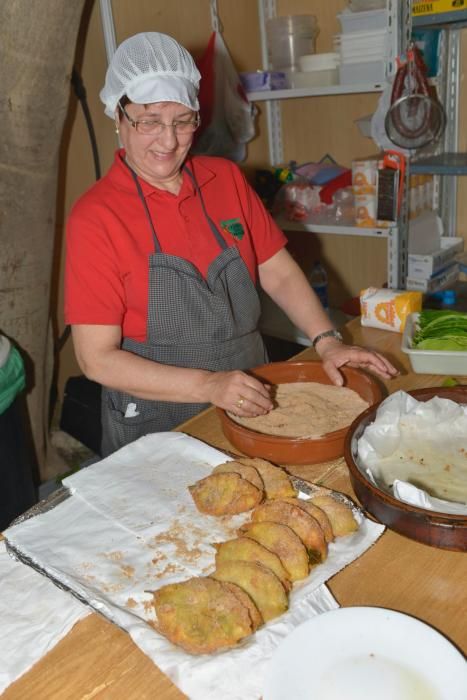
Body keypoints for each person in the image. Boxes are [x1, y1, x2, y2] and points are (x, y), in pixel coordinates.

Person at [65, 32, 397, 457]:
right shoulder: (96, 217)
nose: (168, 142)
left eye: (182, 121)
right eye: (148, 122)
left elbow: (276, 270)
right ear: (118, 115)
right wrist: (208, 384)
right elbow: (97, 359)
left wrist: (327, 340)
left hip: (253, 393)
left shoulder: (225, 180)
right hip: (156, 419)